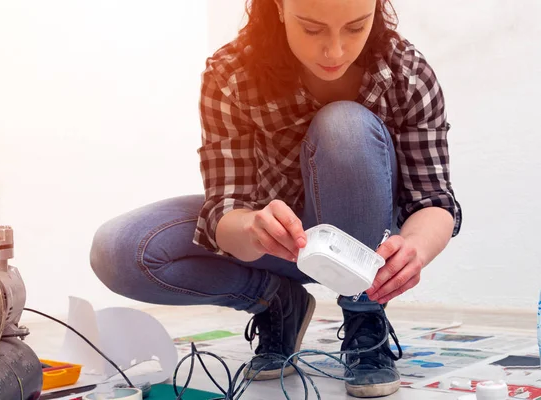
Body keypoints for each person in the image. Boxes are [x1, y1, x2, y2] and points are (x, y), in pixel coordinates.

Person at [89, 0, 462, 397]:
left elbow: (434, 201)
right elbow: (225, 206)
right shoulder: (231, 74)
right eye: (312, 28)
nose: (334, 51)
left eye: (355, 27)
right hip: (276, 242)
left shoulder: (407, 74)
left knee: (344, 126)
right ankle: (276, 302)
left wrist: (417, 249)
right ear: (280, 7)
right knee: (119, 250)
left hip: (364, 249)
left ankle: (364, 317)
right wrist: (252, 227)